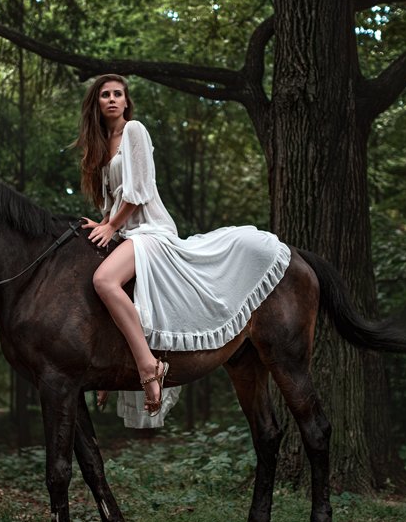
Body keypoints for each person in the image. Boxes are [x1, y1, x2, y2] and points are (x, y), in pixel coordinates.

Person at [76, 74, 290, 428]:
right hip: (127, 233)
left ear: (126, 102)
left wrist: (112, 226)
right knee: (100, 281)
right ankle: (116, 365)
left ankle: (149, 366)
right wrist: (102, 224)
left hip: (151, 231)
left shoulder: (134, 131)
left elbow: (139, 190)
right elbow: (113, 200)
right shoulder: (103, 145)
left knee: (104, 281)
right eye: (105, 95)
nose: (112, 100)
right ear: (96, 104)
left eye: (118, 94)